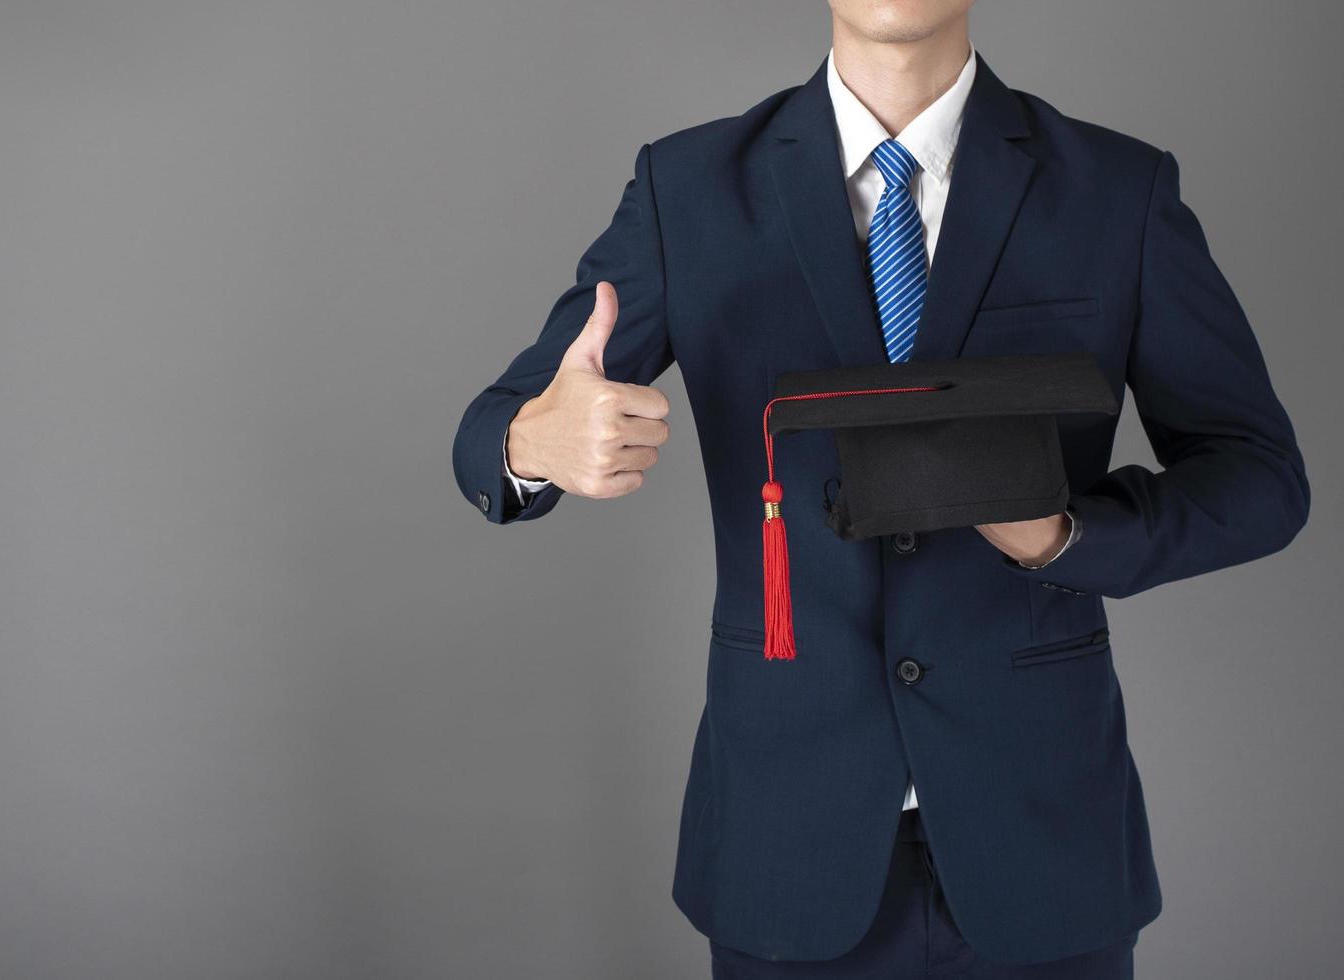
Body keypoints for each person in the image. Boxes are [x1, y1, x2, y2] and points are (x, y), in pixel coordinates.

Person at [449, 2, 1310, 977]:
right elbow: (489, 434)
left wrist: (1068, 537)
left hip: (1041, 837)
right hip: (785, 842)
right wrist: (534, 441)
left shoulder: (1116, 191)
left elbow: (1261, 477)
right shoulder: (684, 189)